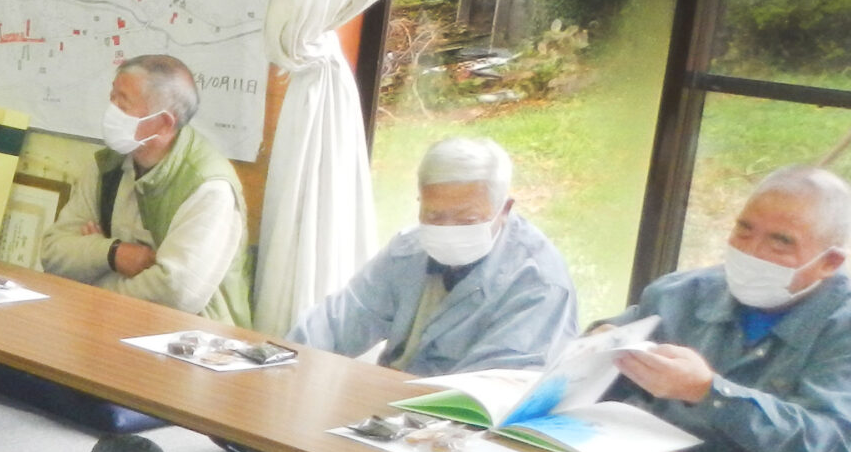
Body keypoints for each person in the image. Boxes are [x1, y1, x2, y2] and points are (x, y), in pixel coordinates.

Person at [546, 165, 851, 452]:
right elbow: (612, 355)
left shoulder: (842, 326)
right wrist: (599, 348)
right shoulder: (681, 293)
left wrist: (709, 392)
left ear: (830, 262)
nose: (751, 252)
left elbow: (830, 448)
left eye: (780, 242)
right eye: (744, 230)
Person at [291, 137, 578, 374]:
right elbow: (338, 322)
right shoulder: (408, 249)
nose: (448, 230)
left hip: (466, 429)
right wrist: (282, 360)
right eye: (434, 216)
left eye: (467, 220)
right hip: (389, 407)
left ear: (504, 209)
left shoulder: (538, 282)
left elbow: (495, 390)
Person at [40, 54, 253, 323]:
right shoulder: (108, 164)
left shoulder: (209, 187)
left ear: (164, 123)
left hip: (193, 346)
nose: (111, 110)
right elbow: (53, 253)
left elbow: (175, 293)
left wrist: (89, 281)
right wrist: (113, 253)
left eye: (123, 102)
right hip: (108, 327)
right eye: (112, 97)